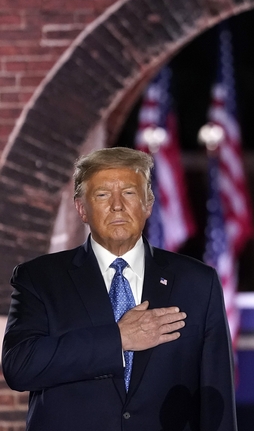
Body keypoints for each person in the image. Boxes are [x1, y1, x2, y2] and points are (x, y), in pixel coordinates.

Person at [2, 147, 237, 430]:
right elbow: (19, 366)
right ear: (81, 208)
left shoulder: (198, 283)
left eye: (128, 193)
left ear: (148, 204)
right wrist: (118, 339)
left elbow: (216, 395)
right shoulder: (40, 278)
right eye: (102, 195)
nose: (117, 206)